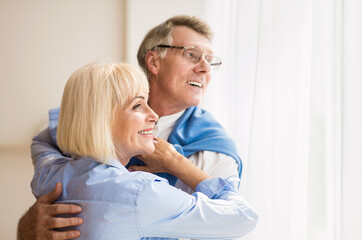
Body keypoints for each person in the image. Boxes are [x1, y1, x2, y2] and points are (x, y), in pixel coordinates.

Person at [18, 15, 243, 239]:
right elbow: (44, 146)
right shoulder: (83, 122)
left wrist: (177, 164)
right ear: (154, 61)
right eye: (192, 55)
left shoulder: (216, 152)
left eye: (210, 60)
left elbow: (230, 222)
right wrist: (26, 229)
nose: (205, 68)